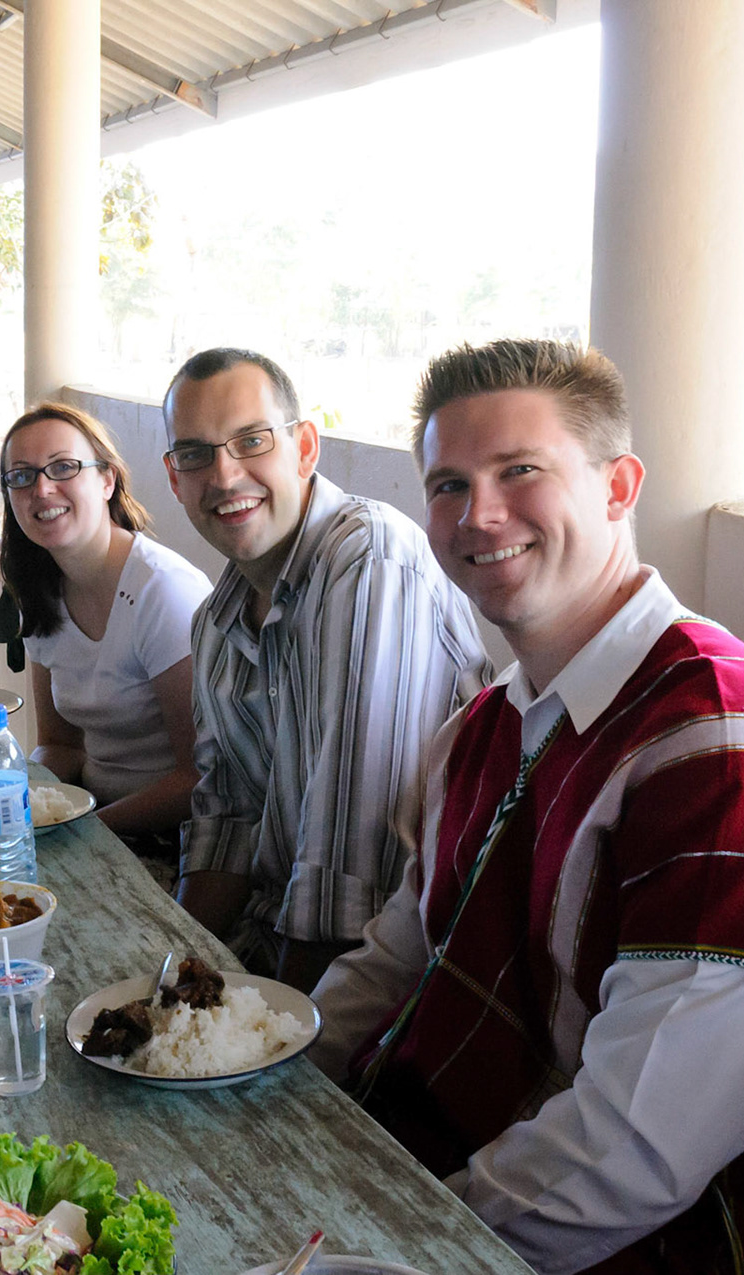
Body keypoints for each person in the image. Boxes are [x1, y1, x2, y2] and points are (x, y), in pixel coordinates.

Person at [311, 339, 744, 1275]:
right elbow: (401, 949)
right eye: (448, 484)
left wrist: (402, 1246)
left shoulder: (726, 755)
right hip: (420, 1162)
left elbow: (635, 1154)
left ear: (618, 487)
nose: (479, 515)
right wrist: (270, 1076)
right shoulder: (484, 723)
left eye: (521, 470)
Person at [164, 348, 491, 991]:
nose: (225, 475)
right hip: (270, 948)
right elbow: (225, 823)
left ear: (305, 448)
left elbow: (352, 869)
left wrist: (279, 1039)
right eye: (196, 454)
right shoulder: (215, 622)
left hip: (401, 977)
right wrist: (165, 979)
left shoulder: (368, 562)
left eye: (251, 441)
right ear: (175, 480)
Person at [0, 402, 211, 857]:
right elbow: (59, 745)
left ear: (106, 480)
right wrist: (17, 799)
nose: (42, 489)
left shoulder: (162, 591)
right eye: (21, 476)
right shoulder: (38, 592)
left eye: (63, 467)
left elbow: (199, 777)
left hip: (178, 841)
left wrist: (77, 831)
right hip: (94, 819)